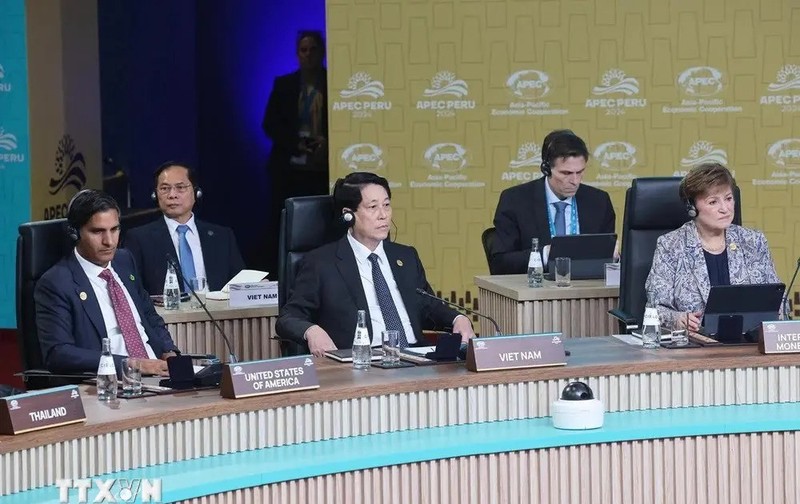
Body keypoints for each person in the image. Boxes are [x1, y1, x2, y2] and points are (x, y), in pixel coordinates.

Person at [277, 172, 476, 357]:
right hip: (363, 362)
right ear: (348, 214)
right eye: (373, 207)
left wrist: (458, 319)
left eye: (387, 205)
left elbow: (428, 307)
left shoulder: (406, 257)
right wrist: (312, 331)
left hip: (417, 359)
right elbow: (288, 318)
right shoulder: (321, 263)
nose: (383, 215)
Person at [35, 190, 179, 374]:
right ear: (74, 233)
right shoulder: (56, 283)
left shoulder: (124, 260)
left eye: (115, 229)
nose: (109, 241)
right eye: (98, 231)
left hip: (158, 375)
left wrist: (170, 352)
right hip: (112, 383)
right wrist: (132, 364)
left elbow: (150, 316)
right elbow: (59, 353)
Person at [645, 163, 782, 331]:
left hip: (750, 343)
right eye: (713, 202)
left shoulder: (754, 241)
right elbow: (655, 308)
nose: (725, 209)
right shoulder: (671, 246)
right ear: (692, 208)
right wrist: (678, 319)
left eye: (729, 198)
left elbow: (778, 301)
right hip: (695, 346)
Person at [490, 129, 616, 274]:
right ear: (546, 169)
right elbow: (499, 263)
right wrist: (544, 255)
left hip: (587, 291)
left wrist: (613, 258)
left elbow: (606, 262)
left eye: (580, 172)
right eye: (566, 173)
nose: (575, 181)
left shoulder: (599, 202)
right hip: (534, 292)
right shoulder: (515, 200)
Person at [262, 30, 329, 273]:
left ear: (322, 53)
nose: (308, 54)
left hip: (323, 169)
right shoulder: (284, 85)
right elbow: (269, 124)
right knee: (284, 225)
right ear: (297, 54)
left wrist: (326, 143)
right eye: (304, 50)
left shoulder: (334, 82)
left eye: (313, 49)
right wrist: (296, 143)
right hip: (289, 169)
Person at [124, 162, 245, 295]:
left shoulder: (222, 236)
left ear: (196, 193)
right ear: (155, 195)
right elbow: (132, 290)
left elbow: (240, 284)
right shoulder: (139, 238)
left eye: (180, 187)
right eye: (164, 188)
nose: (172, 195)